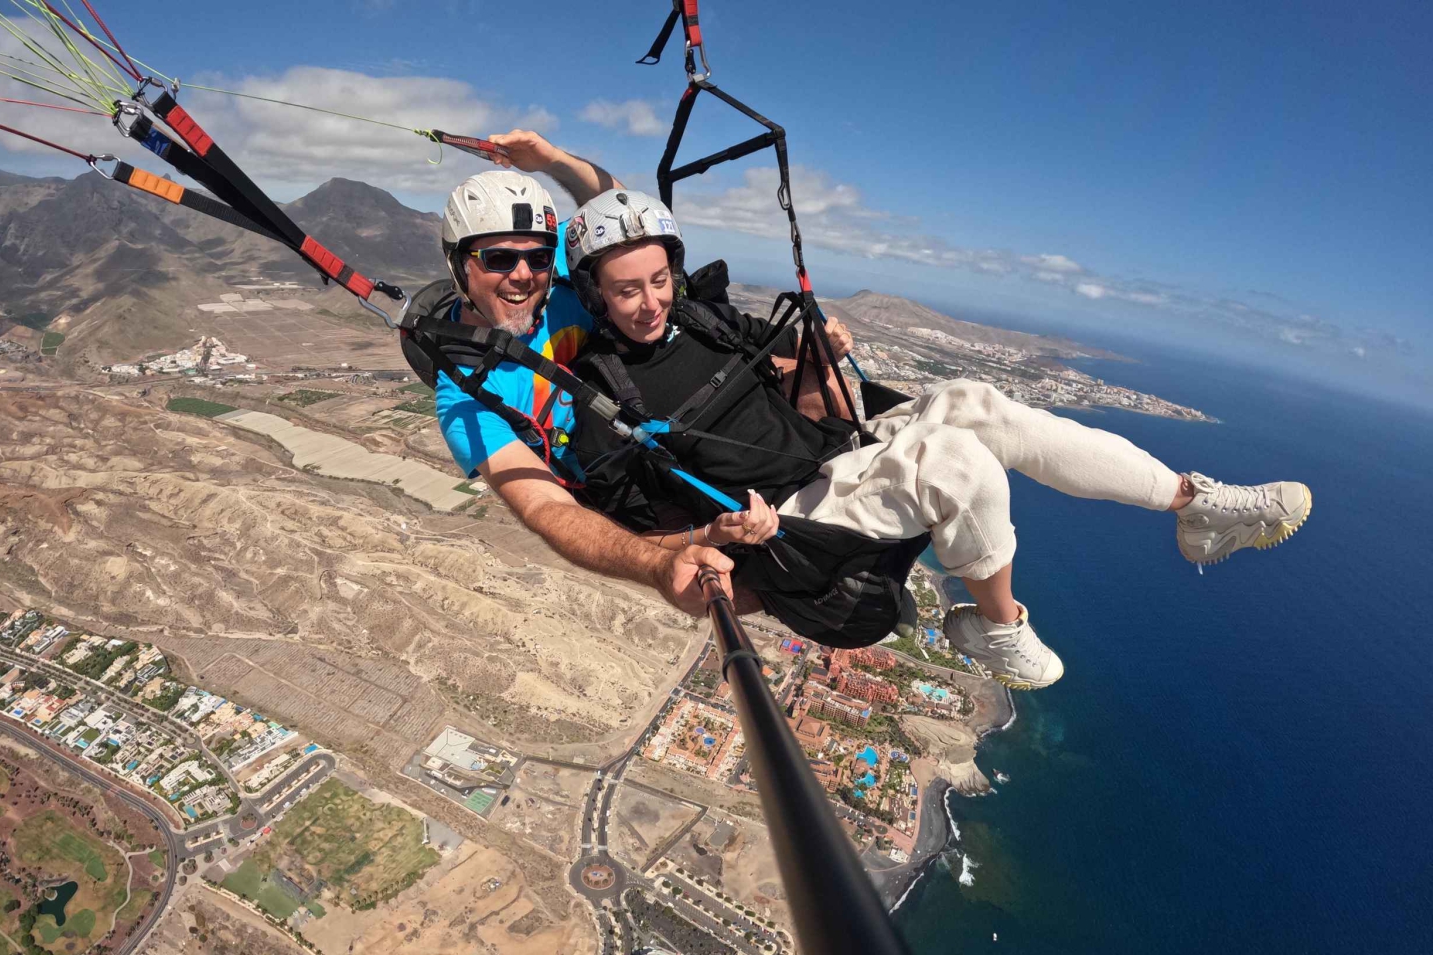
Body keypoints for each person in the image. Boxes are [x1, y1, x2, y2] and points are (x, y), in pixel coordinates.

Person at [557, 189, 1312, 689]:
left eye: (659, 279)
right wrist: (718, 530)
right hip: (790, 524)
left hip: (835, 456)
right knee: (957, 463)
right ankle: (996, 628)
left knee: (972, 400)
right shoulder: (601, 389)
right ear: (595, 292)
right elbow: (635, 529)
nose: (651, 301)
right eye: (627, 290)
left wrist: (825, 348)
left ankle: (1193, 504)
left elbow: (779, 351)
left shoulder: (701, 317)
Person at [402, 132, 738, 617]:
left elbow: (625, 218)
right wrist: (656, 568)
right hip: (624, 489)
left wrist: (551, 160)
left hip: (668, 422)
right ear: (459, 266)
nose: (522, 275)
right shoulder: (464, 398)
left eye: (537, 257)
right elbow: (544, 507)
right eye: (497, 258)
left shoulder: (562, 284)